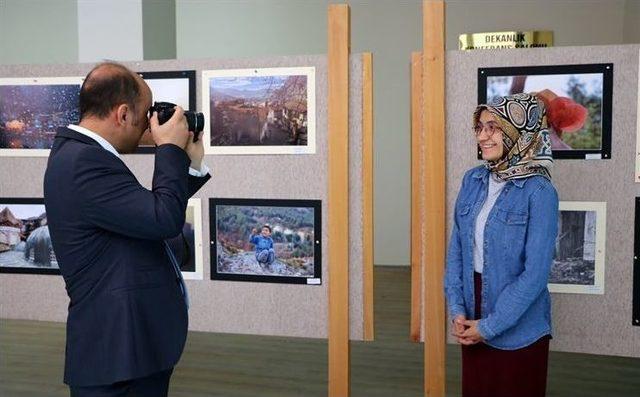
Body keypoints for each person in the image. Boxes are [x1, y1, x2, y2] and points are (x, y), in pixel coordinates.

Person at [43, 62, 211, 397]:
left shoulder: (82, 157)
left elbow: (143, 216)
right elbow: (162, 218)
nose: (149, 124)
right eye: (145, 113)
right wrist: (168, 149)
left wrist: (187, 164)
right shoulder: (83, 162)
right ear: (122, 114)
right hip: (117, 354)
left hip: (128, 350)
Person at [444, 93, 560, 397]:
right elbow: (457, 251)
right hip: (472, 312)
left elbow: (534, 276)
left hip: (519, 327)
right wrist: (457, 309)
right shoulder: (473, 180)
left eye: (493, 127)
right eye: (479, 127)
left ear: (517, 132)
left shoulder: (540, 191)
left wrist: (490, 326)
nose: (483, 136)